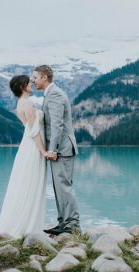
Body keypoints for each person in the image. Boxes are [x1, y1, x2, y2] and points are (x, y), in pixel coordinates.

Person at [0, 75, 47, 238]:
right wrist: (43, 151)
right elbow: (34, 130)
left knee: (25, 182)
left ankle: (24, 224)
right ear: (23, 86)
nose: (32, 83)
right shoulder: (28, 103)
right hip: (32, 147)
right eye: (29, 82)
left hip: (27, 146)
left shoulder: (20, 104)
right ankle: (28, 228)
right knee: (32, 182)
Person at [32, 65, 80, 235]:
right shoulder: (50, 94)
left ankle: (73, 225)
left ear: (45, 77)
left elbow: (57, 124)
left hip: (62, 149)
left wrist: (52, 150)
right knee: (59, 187)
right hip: (60, 149)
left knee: (64, 186)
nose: (33, 80)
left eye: (36, 77)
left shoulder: (55, 94)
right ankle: (63, 223)